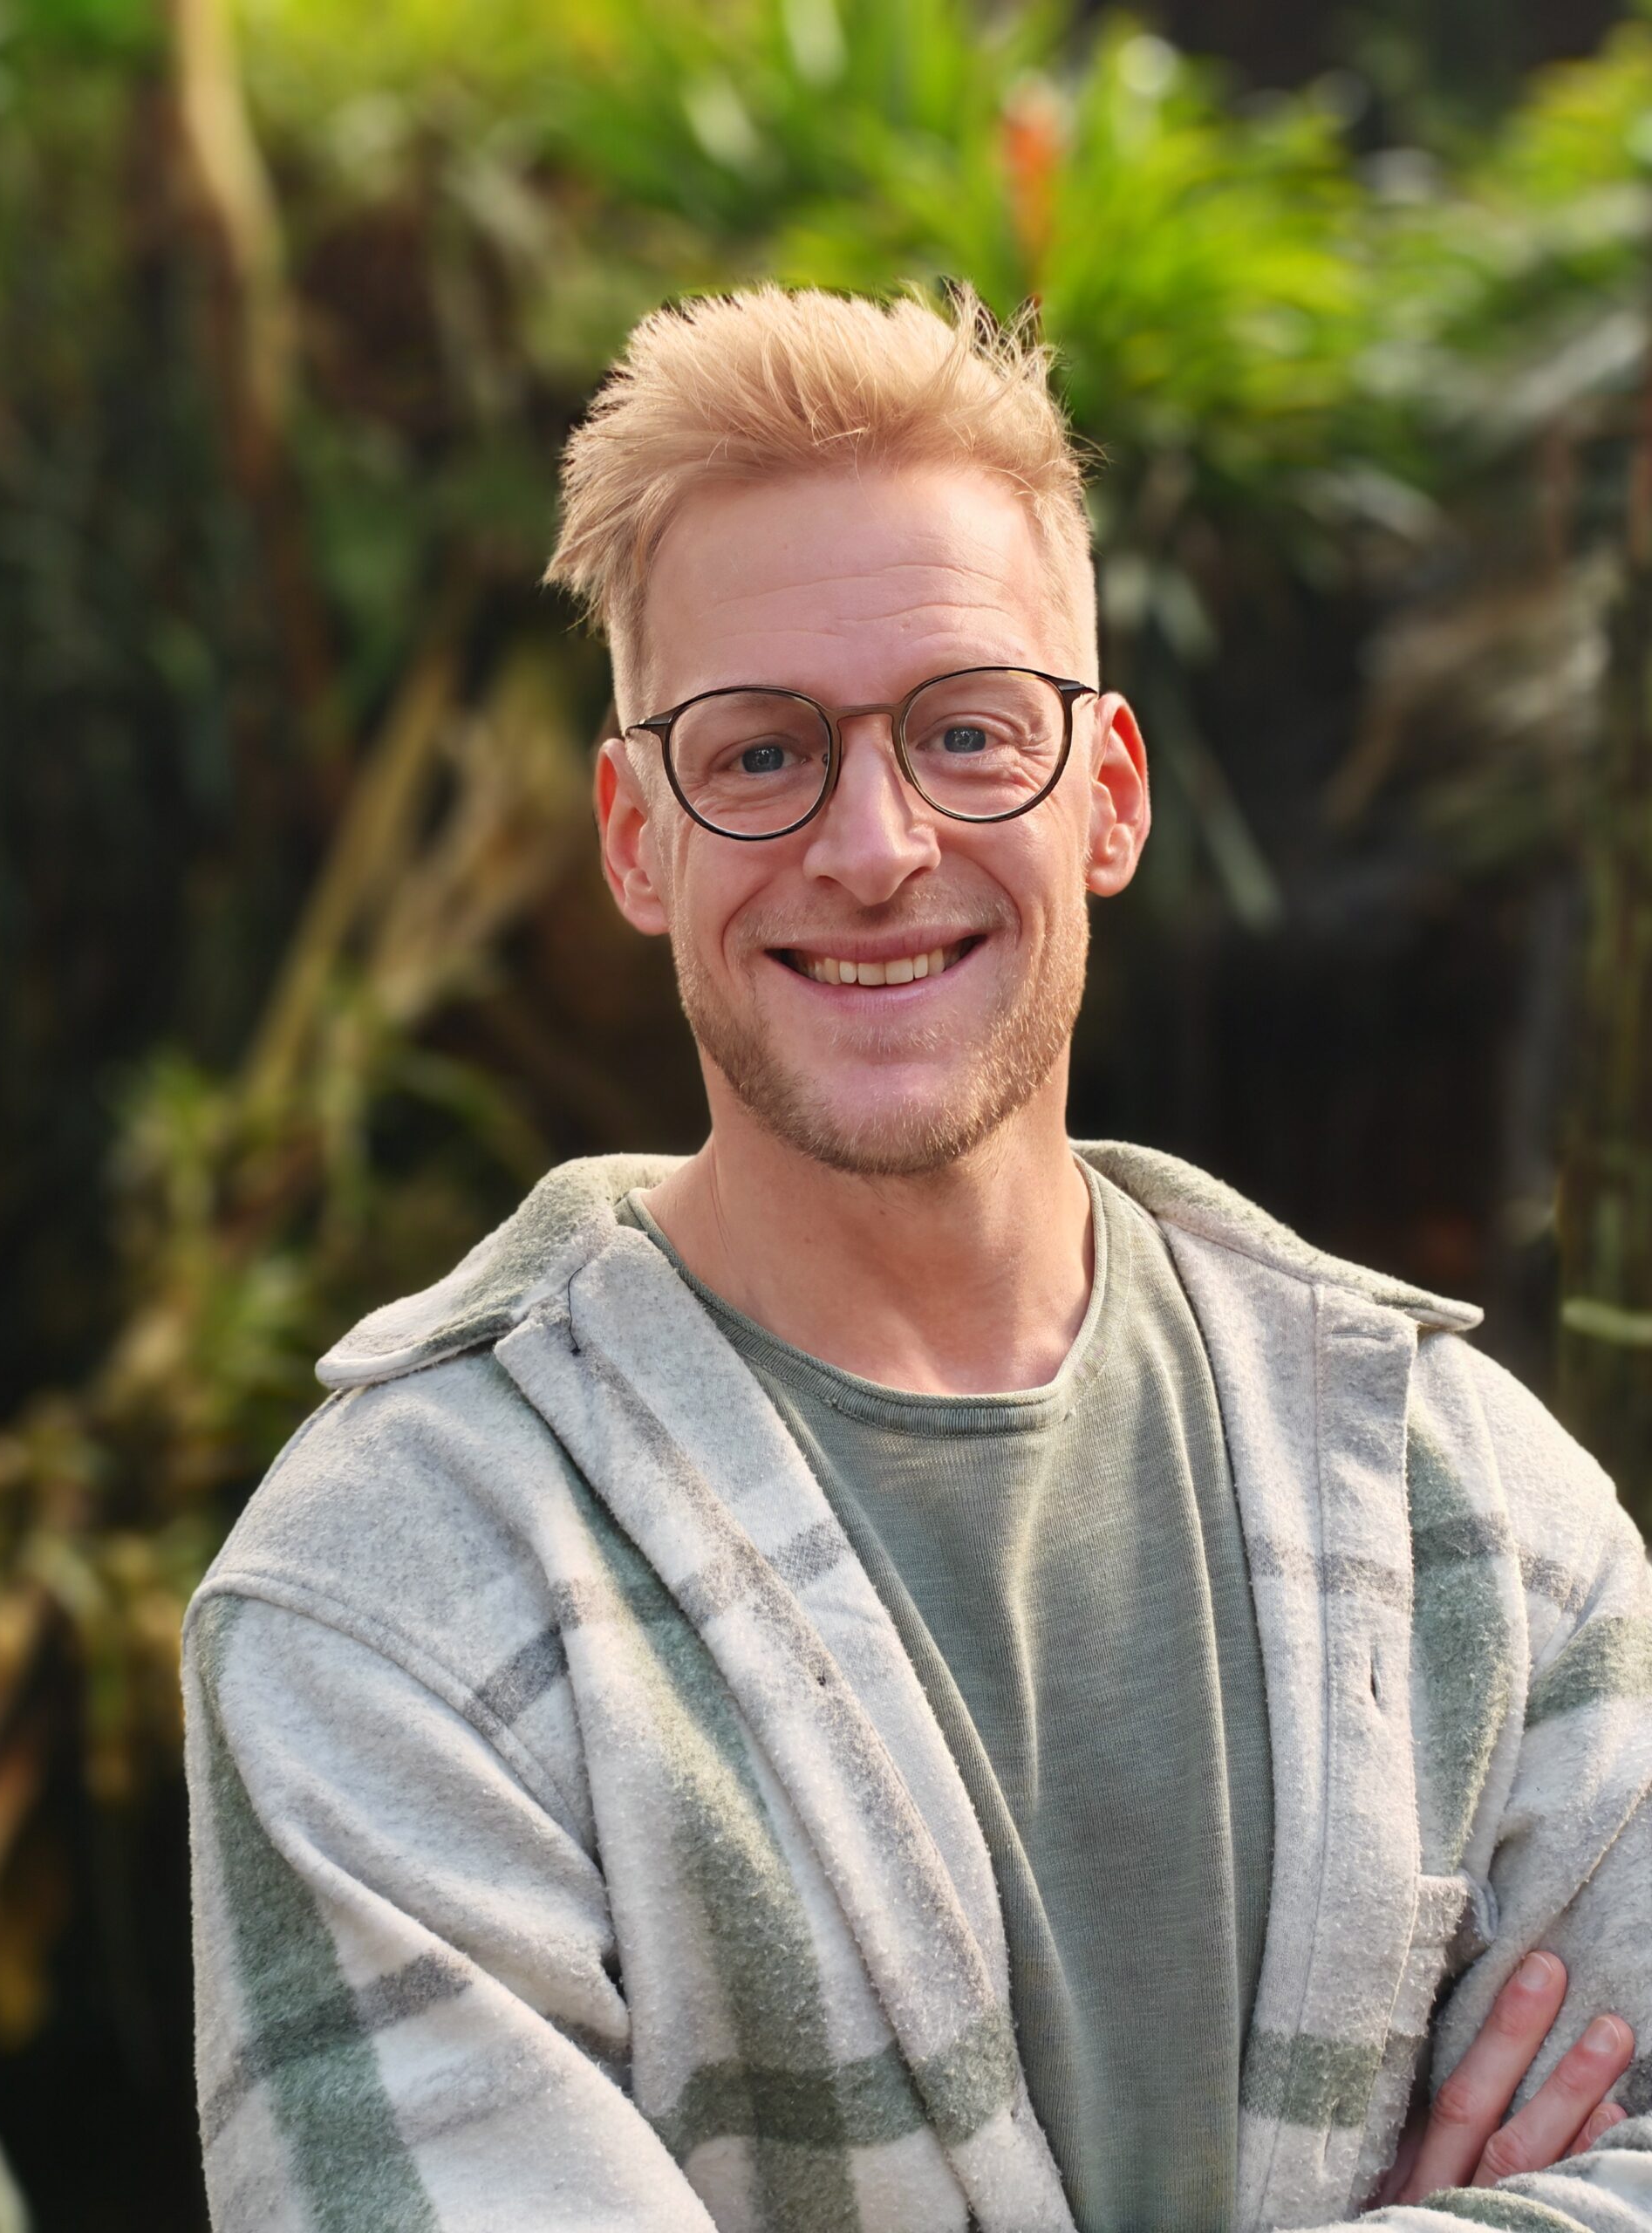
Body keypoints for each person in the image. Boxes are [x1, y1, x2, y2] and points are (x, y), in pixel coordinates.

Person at [182, 284, 1652, 2233]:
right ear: (635, 837)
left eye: (969, 729)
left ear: (1106, 792)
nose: (874, 843)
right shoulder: (382, 1603)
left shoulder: (1471, 1501)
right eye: (760, 750)